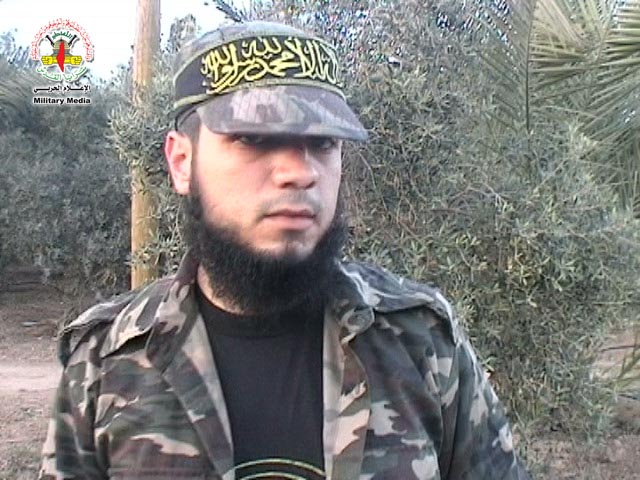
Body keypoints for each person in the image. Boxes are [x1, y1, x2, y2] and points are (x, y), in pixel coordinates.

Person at [39, 21, 531, 480]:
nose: (300, 172)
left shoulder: (420, 340)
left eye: (323, 143)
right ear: (182, 161)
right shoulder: (105, 362)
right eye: (254, 138)